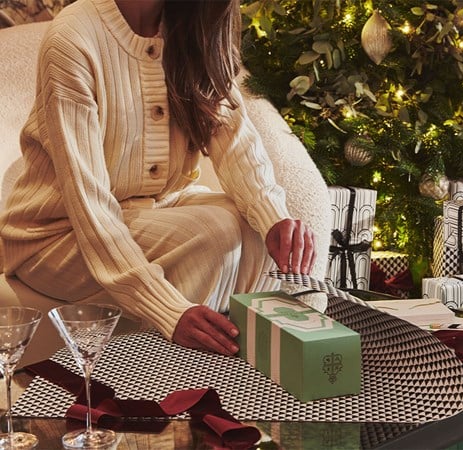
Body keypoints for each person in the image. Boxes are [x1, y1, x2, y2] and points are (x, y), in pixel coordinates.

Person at [0, 0, 316, 356]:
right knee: (213, 234)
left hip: (152, 209)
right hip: (55, 234)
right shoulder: (74, 37)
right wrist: (168, 310)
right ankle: (168, 388)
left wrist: (273, 217)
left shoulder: (191, 22)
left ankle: (233, 370)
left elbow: (232, 138)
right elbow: (88, 201)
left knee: (257, 232)